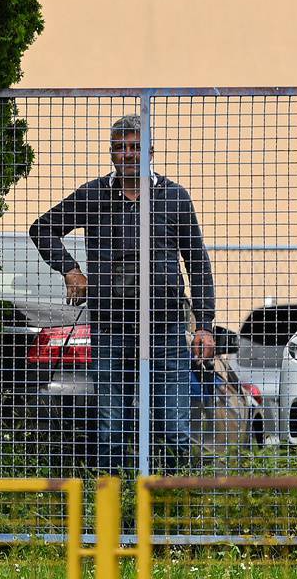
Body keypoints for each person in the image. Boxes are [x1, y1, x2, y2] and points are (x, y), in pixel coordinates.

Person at [29, 113, 216, 473]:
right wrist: (69, 269)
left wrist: (205, 325)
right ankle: (116, 514)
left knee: (173, 429)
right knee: (112, 430)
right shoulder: (93, 195)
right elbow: (43, 228)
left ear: (149, 151)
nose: (128, 154)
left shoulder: (174, 197)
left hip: (165, 330)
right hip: (111, 328)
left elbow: (197, 261)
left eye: (135, 147)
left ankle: (171, 512)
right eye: (120, 148)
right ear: (111, 153)